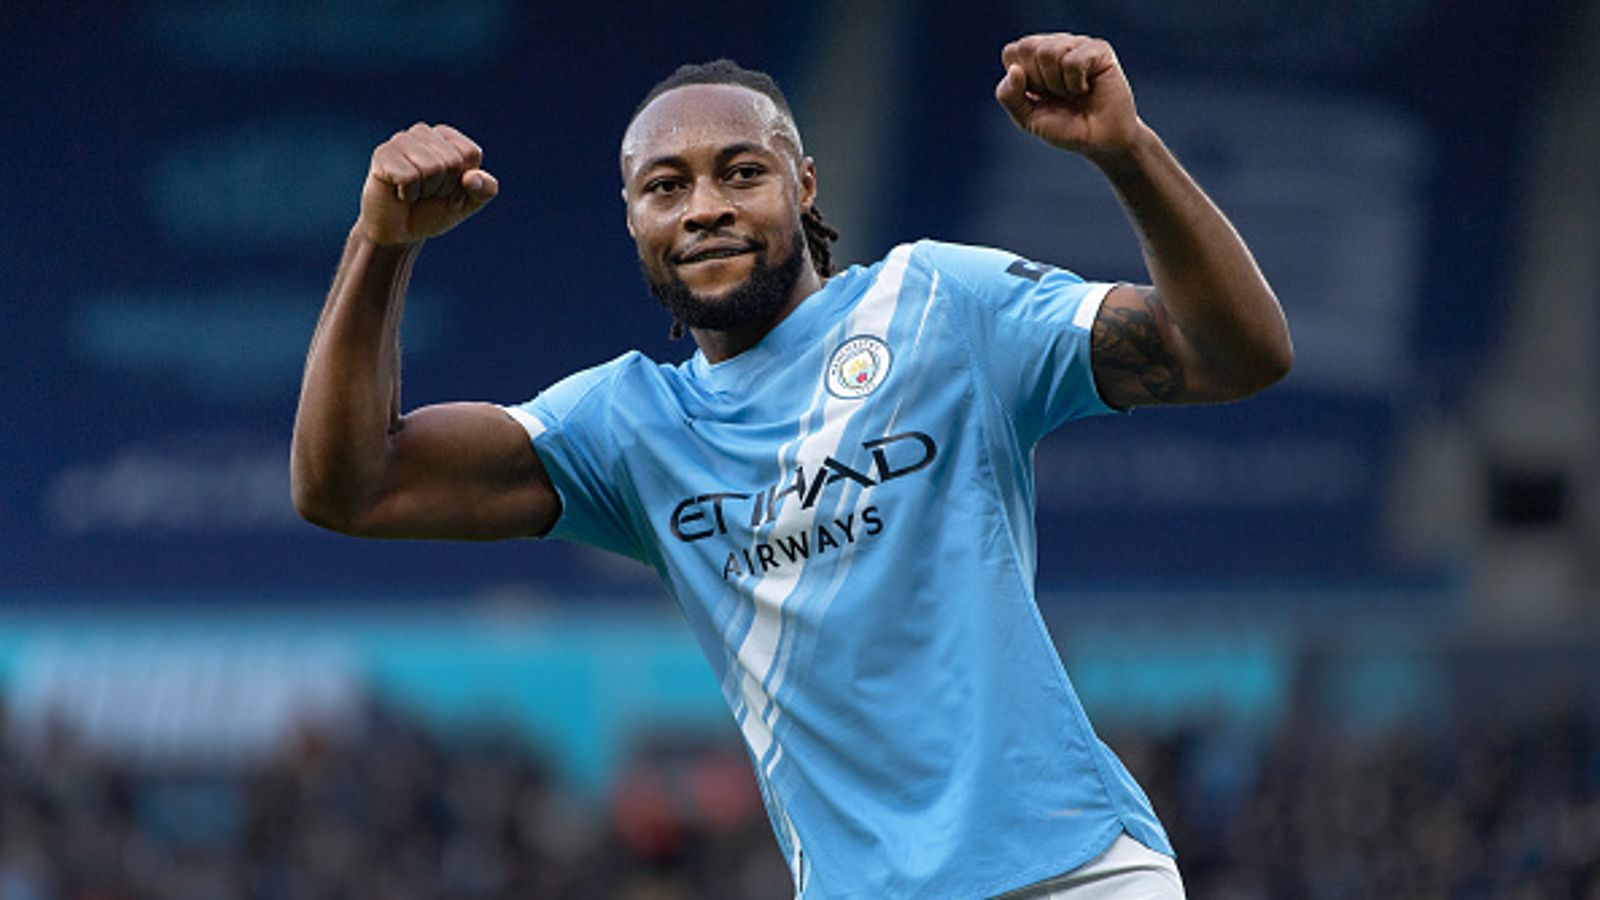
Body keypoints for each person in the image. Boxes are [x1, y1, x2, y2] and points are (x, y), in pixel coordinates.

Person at [292, 32, 1290, 900]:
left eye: (740, 171)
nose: (704, 207)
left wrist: (1128, 153)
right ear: (631, 218)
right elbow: (350, 486)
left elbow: (1234, 354)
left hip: (1071, 871)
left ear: (803, 184)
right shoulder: (627, 429)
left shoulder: (939, 304)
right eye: (665, 186)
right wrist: (379, 244)